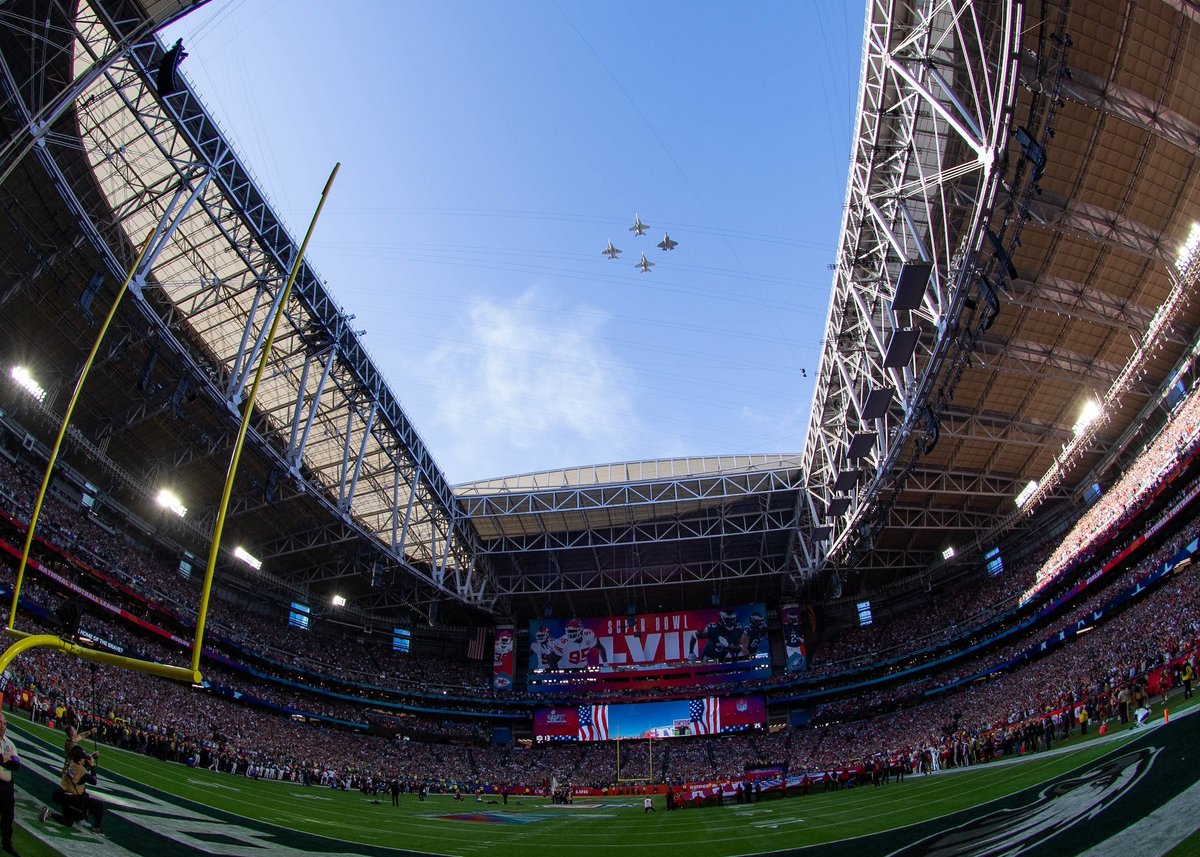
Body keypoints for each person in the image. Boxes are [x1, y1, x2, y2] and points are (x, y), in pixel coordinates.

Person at [41, 745, 104, 834]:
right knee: (98, 805)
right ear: (80, 759)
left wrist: (92, 755)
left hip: (62, 794)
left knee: (68, 821)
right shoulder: (81, 770)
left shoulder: (71, 763)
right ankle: (96, 828)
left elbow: (82, 764)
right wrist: (92, 766)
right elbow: (94, 781)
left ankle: (50, 814)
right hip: (73, 798)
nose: (84, 759)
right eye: (83, 758)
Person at [0, 713, 22, 856]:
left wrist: (3, 759)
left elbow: (16, 764)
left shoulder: (9, 743)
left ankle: (7, 843)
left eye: (4, 723)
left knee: (8, 817)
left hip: (7, 786)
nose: (3, 726)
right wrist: (4, 758)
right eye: (0, 723)